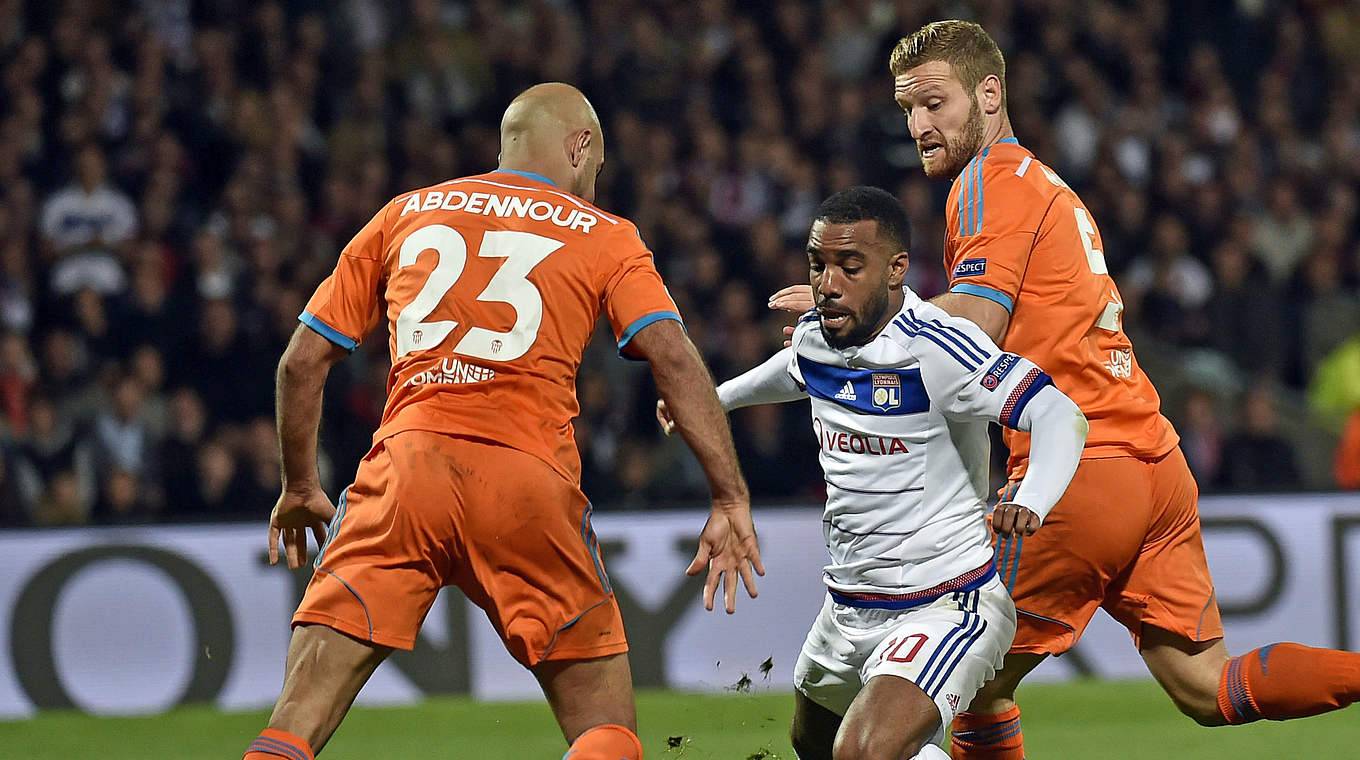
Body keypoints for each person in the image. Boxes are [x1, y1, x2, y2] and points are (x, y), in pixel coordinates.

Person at [769, 20, 1360, 760]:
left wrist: (858, 320)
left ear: (989, 94)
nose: (918, 126)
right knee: (1206, 685)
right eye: (906, 111)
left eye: (933, 104)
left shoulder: (986, 181)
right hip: (1154, 463)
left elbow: (980, 322)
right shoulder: (1048, 185)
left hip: (1080, 474)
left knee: (939, 691)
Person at [243, 83, 764, 760]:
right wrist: (728, 492)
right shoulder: (606, 234)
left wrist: (298, 485)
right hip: (527, 485)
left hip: (405, 474)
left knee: (293, 724)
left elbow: (300, 363)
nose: (594, 185)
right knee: (607, 732)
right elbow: (671, 353)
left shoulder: (406, 212)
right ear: (580, 145)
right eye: (597, 169)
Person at [662, 186, 1087, 760]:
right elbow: (791, 370)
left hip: (945, 603)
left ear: (895, 271)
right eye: (818, 265)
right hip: (848, 608)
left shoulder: (936, 347)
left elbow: (1058, 413)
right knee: (812, 745)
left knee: (863, 753)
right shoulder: (817, 338)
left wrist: (1033, 497)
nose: (828, 282)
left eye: (849, 266)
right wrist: (711, 402)